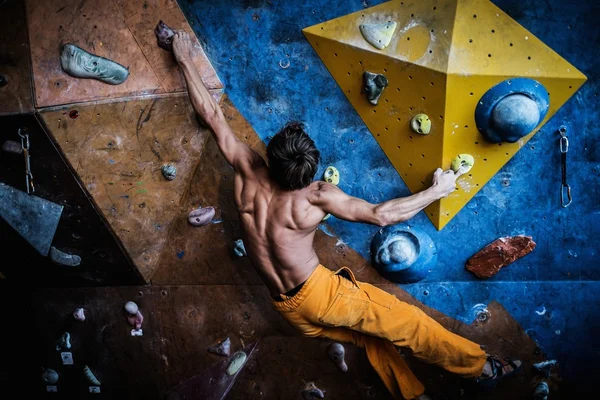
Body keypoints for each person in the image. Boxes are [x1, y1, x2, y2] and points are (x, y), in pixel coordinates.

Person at [172, 31, 522, 399]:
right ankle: (483, 367)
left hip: (286, 309)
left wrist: (183, 56)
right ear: (309, 175)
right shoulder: (316, 196)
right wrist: (437, 190)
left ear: (271, 157)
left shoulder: (246, 169)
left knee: (370, 337)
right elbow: (381, 214)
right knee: (410, 323)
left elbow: (211, 114)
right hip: (320, 297)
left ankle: (413, 395)